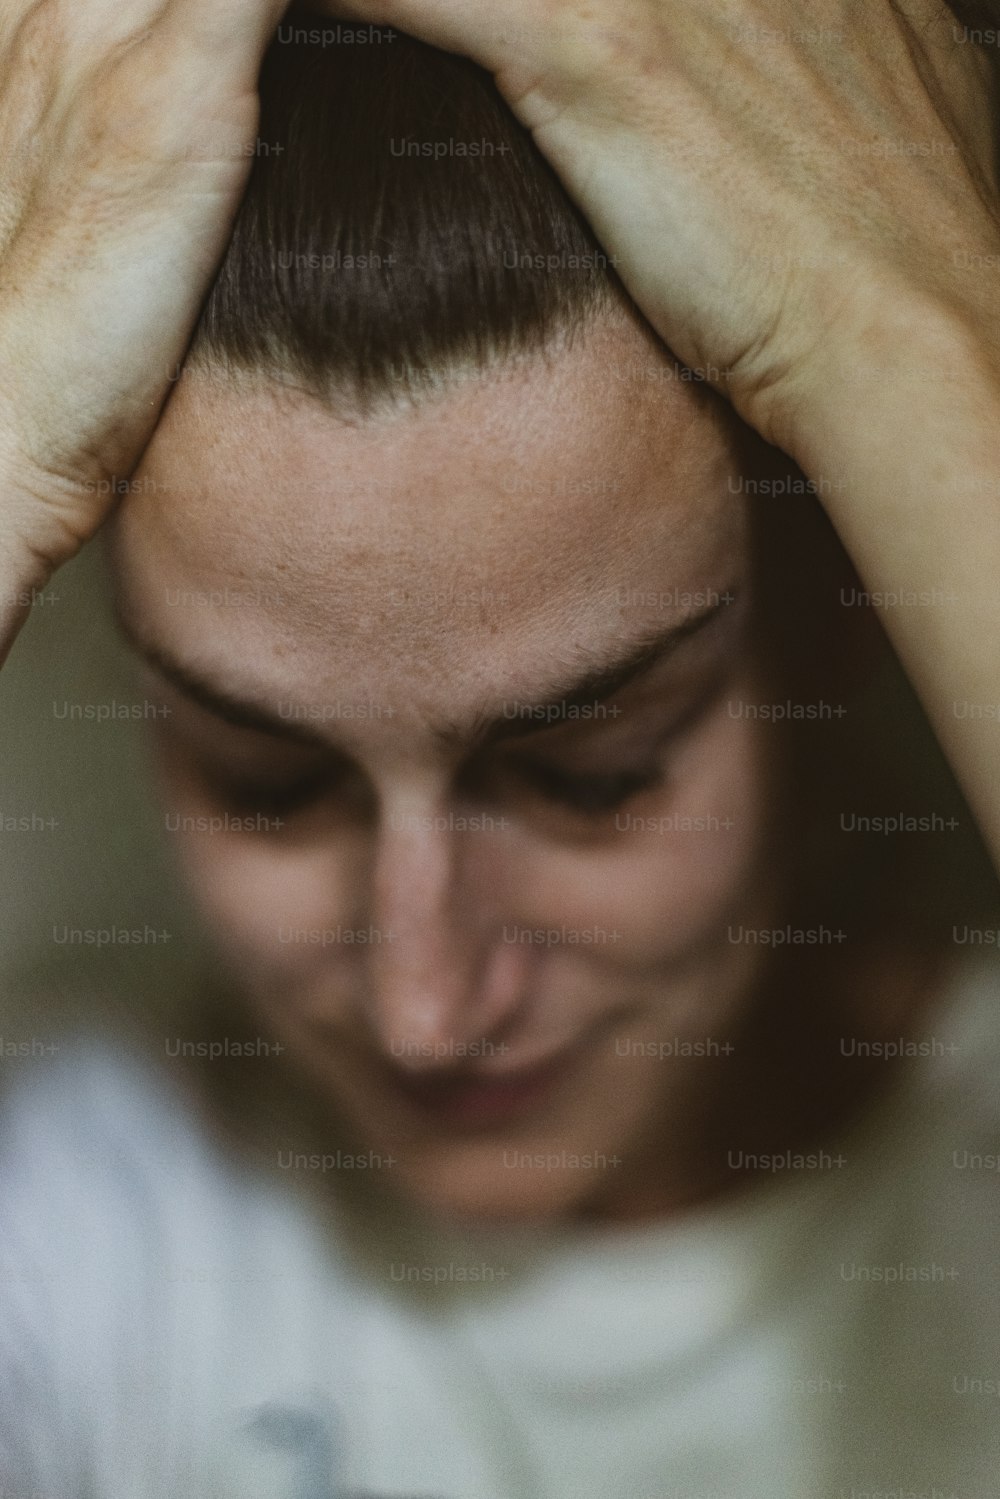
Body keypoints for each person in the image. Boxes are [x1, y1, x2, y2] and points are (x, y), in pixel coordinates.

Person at [0, 1, 999, 1495]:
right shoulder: (71, 1239)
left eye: (595, 773)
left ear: (846, 617)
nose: (425, 1009)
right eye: (265, 783)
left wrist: (913, 351)